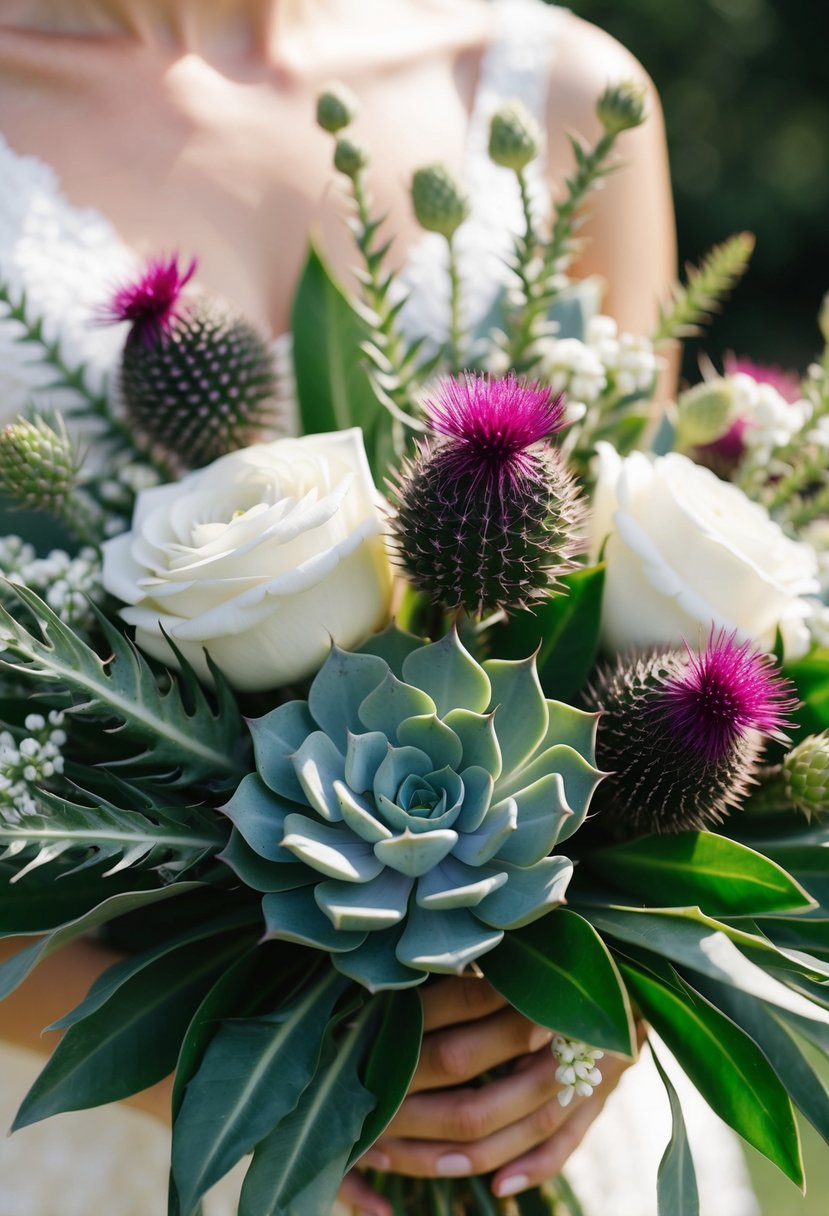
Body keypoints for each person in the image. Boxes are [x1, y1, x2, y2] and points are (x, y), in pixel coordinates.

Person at [0, 3, 756, 1215]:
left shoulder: (556, 88)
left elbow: (656, 626)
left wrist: (596, 1021)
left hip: (534, 1117)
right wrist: (271, 1078)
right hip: (122, 1128)